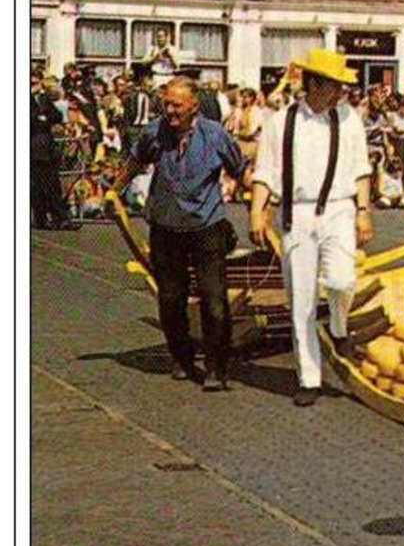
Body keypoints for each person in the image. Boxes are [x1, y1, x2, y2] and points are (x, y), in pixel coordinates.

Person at [250, 50, 372, 407]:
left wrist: (363, 211)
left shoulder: (349, 119)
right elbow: (265, 172)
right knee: (301, 300)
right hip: (297, 216)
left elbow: (361, 169)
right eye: (335, 85)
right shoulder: (280, 122)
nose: (341, 92)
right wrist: (258, 211)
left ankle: (337, 326)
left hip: (338, 210)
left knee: (341, 280)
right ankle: (309, 377)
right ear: (315, 84)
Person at [113, 78, 247, 391]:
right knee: (171, 300)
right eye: (167, 103)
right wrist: (115, 191)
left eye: (177, 105)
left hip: (207, 227)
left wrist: (261, 205)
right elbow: (136, 159)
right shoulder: (154, 132)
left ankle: (216, 367)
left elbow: (240, 168)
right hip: (166, 227)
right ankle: (182, 359)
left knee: (214, 302)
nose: (169, 111)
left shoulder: (214, 135)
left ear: (194, 106)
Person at [30, 71, 80, 230]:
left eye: (37, 83)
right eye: (32, 84)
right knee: (41, 185)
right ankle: (50, 217)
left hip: (47, 147)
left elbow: (57, 116)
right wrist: (41, 118)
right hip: (34, 147)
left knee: (50, 184)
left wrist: (43, 118)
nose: (35, 87)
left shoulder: (44, 99)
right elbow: (32, 122)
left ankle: (54, 218)